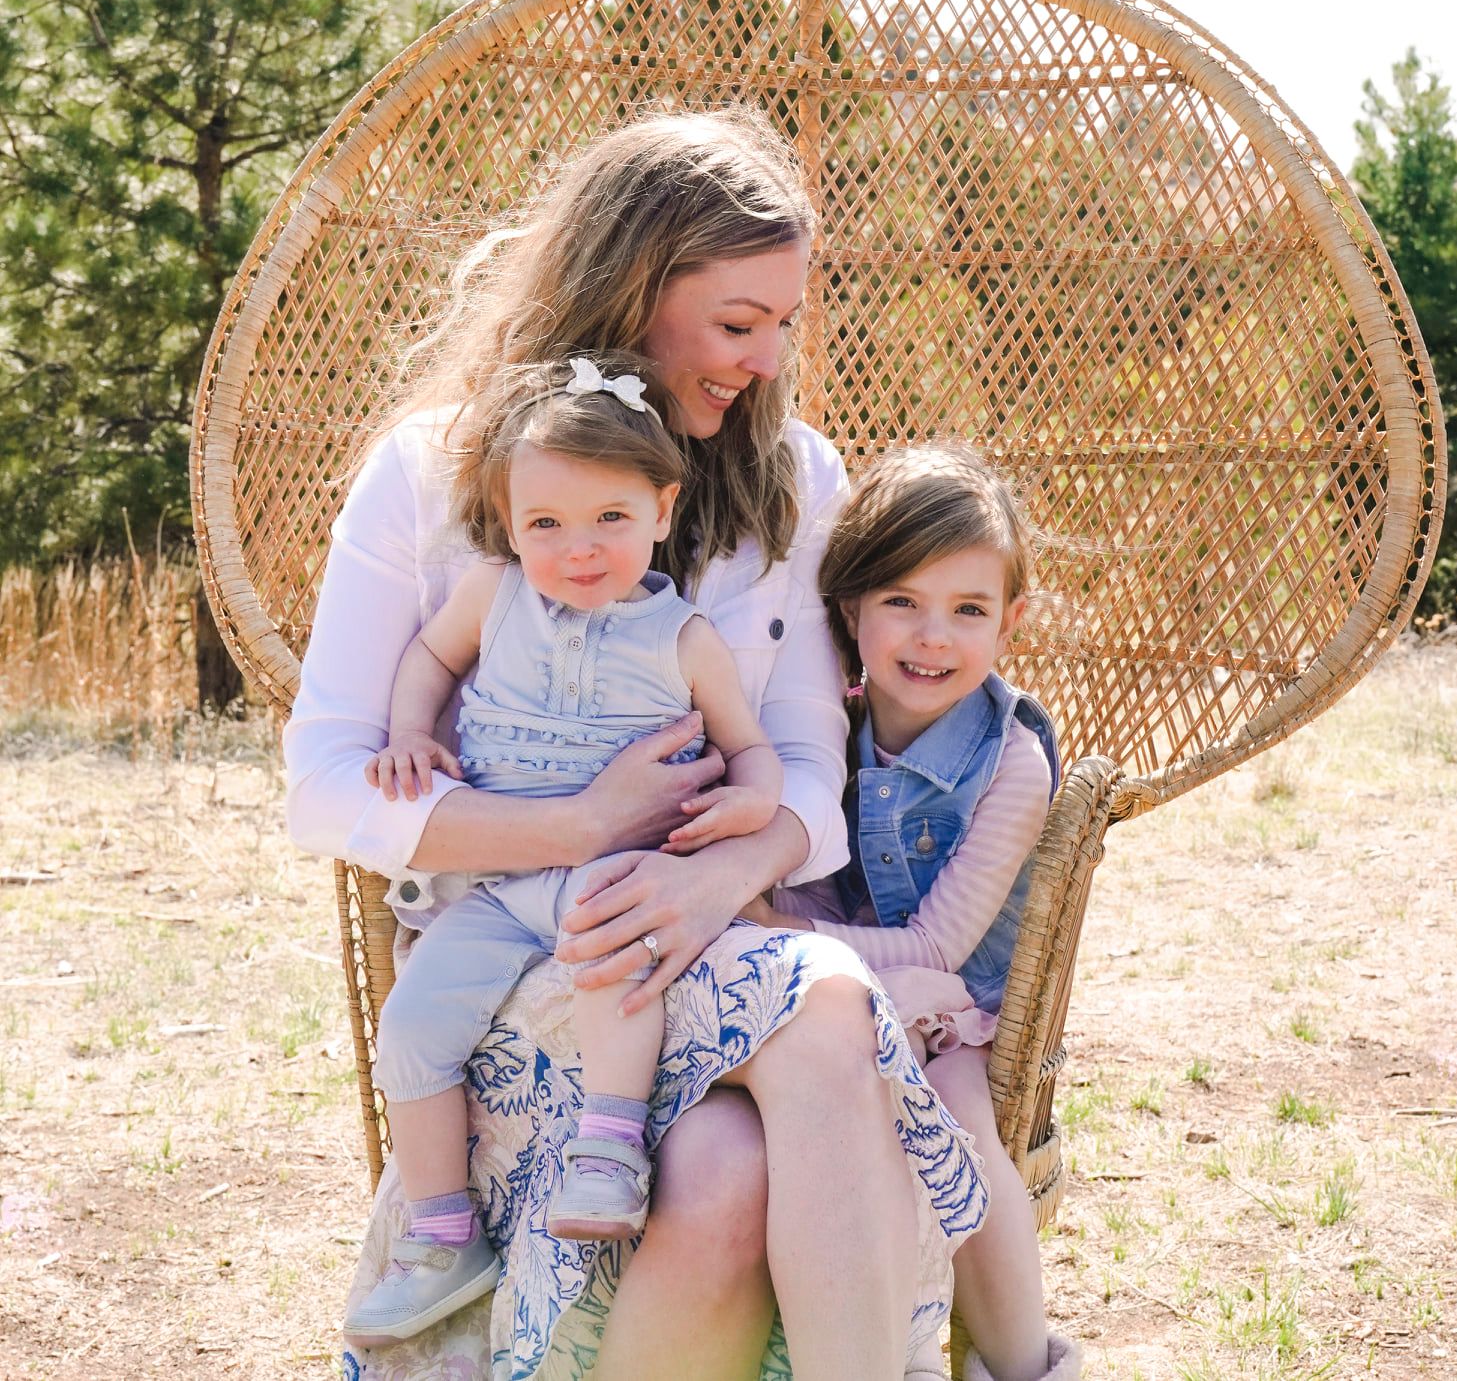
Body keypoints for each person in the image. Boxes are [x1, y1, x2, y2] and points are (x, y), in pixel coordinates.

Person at [284, 109, 987, 1381]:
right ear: (628, 287)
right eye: (735, 324)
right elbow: (325, 791)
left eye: (783, 323)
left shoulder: (793, 478)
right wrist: (579, 827)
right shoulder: (431, 476)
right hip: (518, 955)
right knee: (827, 1000)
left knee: (725, 1169)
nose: (767, 360)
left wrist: (722, 871)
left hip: (718, 929)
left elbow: (802, 759)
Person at [346, 352, 791, 1347]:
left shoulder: (681, 639)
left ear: (662, 511)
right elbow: (426, 658)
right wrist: (412, 729)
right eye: (544, 523)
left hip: (614, 871)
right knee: (413, 1022)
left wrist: (747, 803)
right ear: (509, 524)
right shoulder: (490, 597)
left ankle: (608, 1143)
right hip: (503, 879)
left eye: (609, 519)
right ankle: (438, 1230)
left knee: (609, 938)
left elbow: (753, 748)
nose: (577, 547)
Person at [744, 446, 1083, 1381]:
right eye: (901, 601)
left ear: (1010, 622)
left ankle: (1024, 1364)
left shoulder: (1011, 762)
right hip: (845, 993)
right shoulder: (822, 731)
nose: (932, 638)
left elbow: (939, 944)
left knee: (960, 1124)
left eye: (968, 610)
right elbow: (804, 878)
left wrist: (781, 934)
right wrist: (791, 930)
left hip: (957, 1005)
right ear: (849, 610)